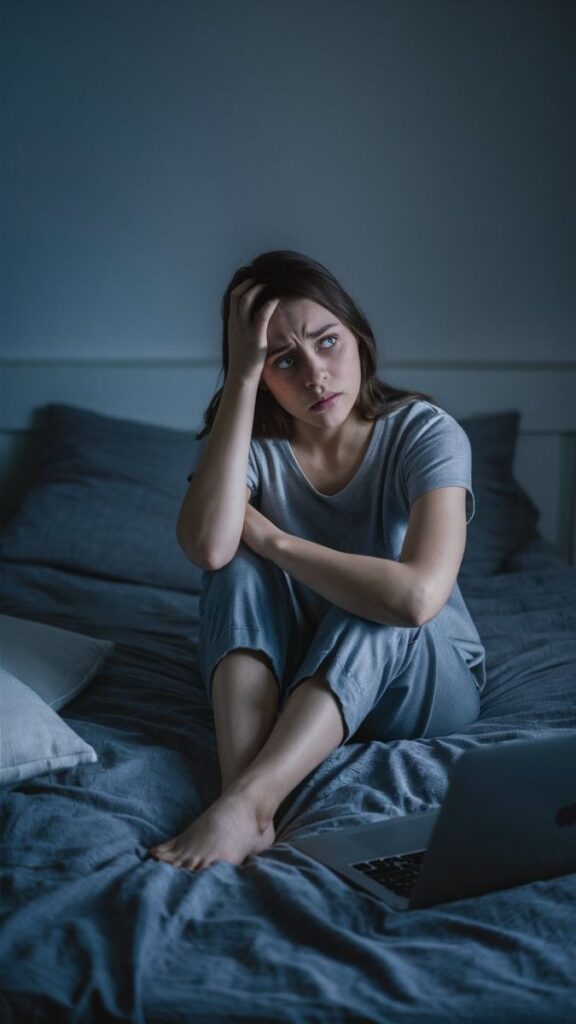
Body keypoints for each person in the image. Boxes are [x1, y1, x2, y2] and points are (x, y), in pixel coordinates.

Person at [150, 249, 486, 872]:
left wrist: (276, 541)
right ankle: (244, 798)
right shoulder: (252, 448)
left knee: (378, 603)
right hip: (301, 668)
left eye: (327, 342)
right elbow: (208, 547)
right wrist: (242, 379)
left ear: (358, 338)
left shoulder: (424, 432)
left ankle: (250, 800)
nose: (314, 375)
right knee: (235, 566)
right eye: (283, 360)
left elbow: (416, 599)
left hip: (425, 680)